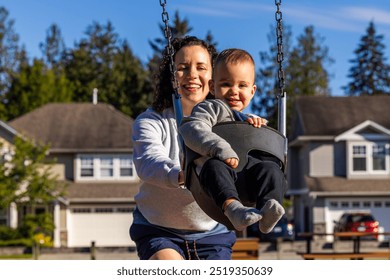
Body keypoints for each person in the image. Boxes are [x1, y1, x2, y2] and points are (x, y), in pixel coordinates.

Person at [130, 36, 236, 260]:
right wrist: (181, 175)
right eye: (182, 68)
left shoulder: (227, 125)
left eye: (201, 67)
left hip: (212, 232)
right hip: (159, 229)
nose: (192, 75)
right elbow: (149, 160)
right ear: (172, 77)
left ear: (213, 76)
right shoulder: (151, 121)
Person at [179, 48, 287, 233]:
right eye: (226, 84)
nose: (234, 91)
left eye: (242, 85)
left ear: (253, 91)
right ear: (212, 87)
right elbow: (192, 129)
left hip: (247, 179)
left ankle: (269, 208)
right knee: (214, 166)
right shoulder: (210, 108)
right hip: (215, 182)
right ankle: (233, 209)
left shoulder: (251, 119)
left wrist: (257, 129)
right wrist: (220, 148)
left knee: (271, 169)